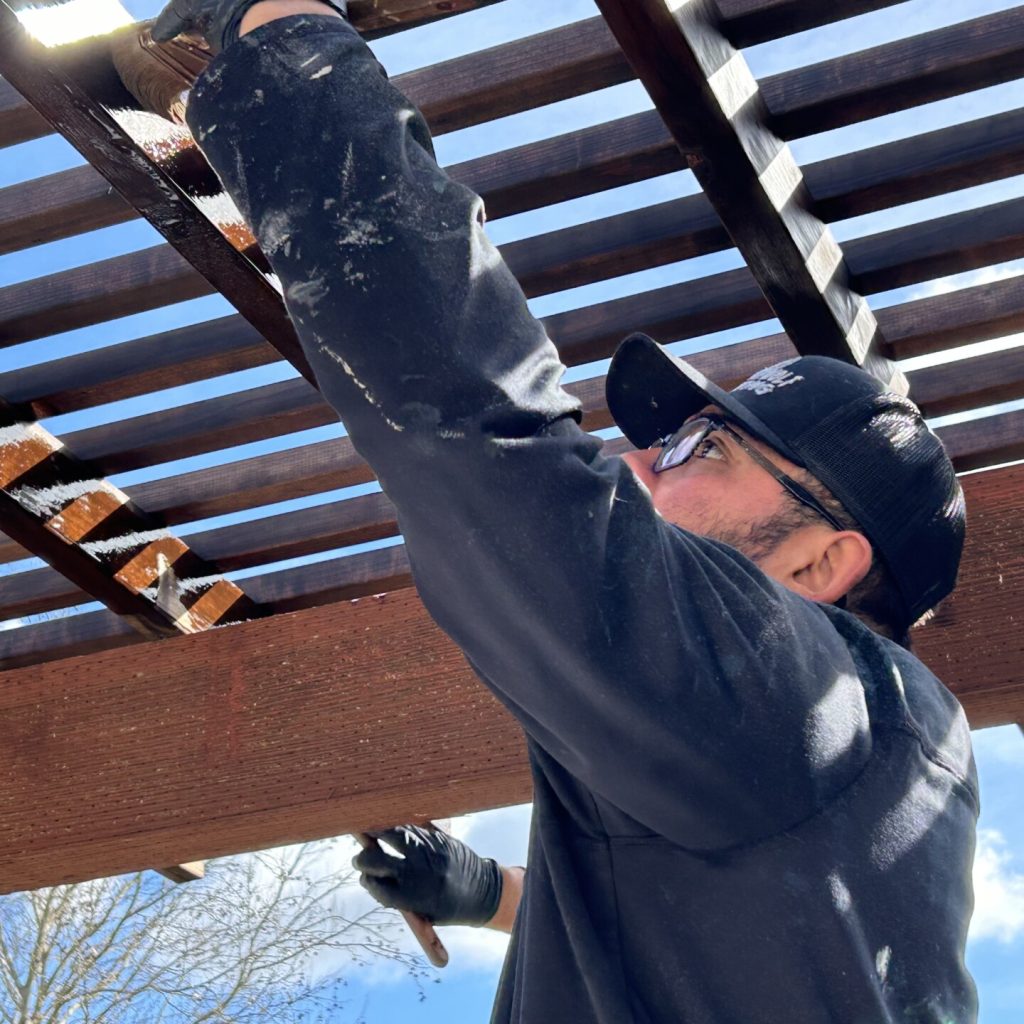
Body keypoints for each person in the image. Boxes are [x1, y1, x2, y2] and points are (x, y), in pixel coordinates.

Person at [152, 1, 979, 1020]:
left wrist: (285, 41)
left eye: (702, 447)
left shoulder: (804, 700)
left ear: (822, 563)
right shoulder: (860, 779)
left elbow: (475, 433)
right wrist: (489, 893)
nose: (637, 462)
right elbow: (714, 936)